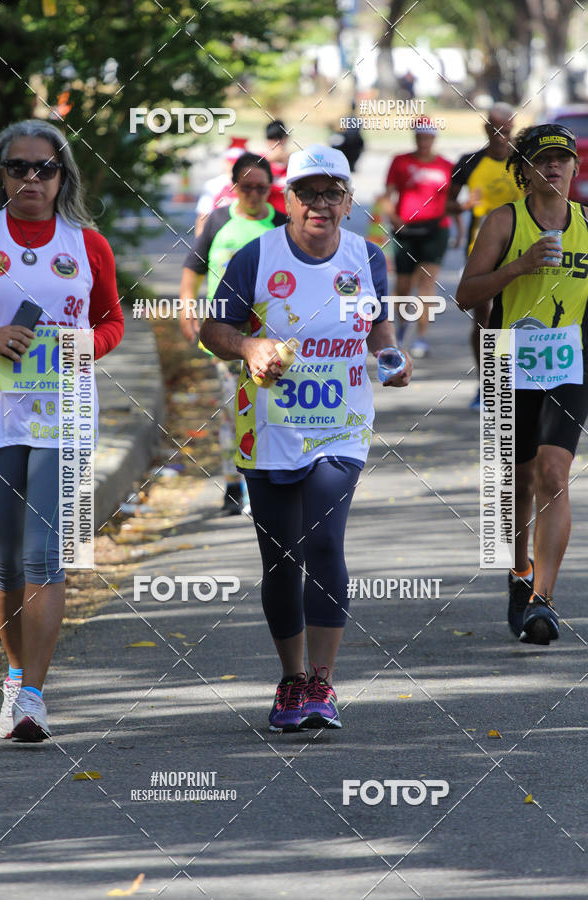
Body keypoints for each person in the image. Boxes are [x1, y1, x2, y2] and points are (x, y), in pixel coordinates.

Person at [200, 144, 412, 731]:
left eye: (332, 193)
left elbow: (377, 324)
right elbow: (214, 329)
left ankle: (322, 682)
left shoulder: (367, 256)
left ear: (347, 201)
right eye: (307, 192)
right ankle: (290, 678)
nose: (320, 203)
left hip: (340, 426)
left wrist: (390, 354)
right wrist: (249, 346)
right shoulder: (255, 256)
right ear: (287, 199)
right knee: (280, 557)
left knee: (323, 542)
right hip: (268, 426)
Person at [0, 120, 124, 740]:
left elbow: (112, 321)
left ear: (62, 175)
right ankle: (14, 679)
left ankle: (35, 696)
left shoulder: (87, 244)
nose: (31, 179)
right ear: (3, 175)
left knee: (48, 556)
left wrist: (86, 345)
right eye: (19, 168)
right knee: (4, 561)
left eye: (44, 168)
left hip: (63, 414)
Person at [456, 124, 585, 645]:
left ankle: (544, 602)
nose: (553, 167)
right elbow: (466, 295)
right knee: (519, 483)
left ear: (574, 168)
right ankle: (519, 571)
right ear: (524, 171)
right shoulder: (502, 222)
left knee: (555, 474)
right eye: (542, 160)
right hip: (510, 359)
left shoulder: (586, 226)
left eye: (562, 159)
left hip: (570, 365)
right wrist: (520, 267)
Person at [179, 153, 287, 514]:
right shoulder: (219, 221)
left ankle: (266, 484)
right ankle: (232, 485)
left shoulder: (283, 224)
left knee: (269, 411)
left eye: (262, 187)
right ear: (234, 186)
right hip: (225, 335)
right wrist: (186, 307)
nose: (254, 194)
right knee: (232, 411)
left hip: (271, 337)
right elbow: (193, 268)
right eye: (247, 187)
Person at [447, 103, 525, 408]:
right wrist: (465, 207)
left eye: (507, 130)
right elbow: (446, 204)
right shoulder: (469, 162)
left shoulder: (524, 162)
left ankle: (516, 381)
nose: (501, 136)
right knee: (485, 317)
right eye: (496, 129)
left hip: (519, 249)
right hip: (480, 250)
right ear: (485, 128)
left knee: (516, 317)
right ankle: (486, 382)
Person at [380, 118, 453, 358]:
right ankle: (401, 330)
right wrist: (391, 215)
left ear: (434, 138)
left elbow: (450, 202)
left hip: (435, 229)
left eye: (427, 137)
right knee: (402, 286)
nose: (423, 142)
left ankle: (421, 337)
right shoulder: (400, 161)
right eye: (419, 137)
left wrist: (461, 229)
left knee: (427, 284)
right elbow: (387, 195)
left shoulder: (445, 165)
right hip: (405, 230)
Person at [193, 139, 248, 237]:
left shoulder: (252, 186)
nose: (234, 167)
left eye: (238, 163)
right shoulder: (213, 185)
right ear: (225, 162)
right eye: (231, 162)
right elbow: (202, 218)